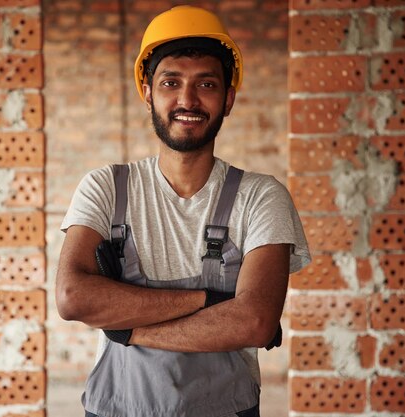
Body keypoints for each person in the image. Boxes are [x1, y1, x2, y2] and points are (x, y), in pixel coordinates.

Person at [56, 5, 311, 417]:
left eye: (206, 84)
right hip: (116, 408)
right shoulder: (106, 188)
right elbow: (72, 298)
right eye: (170, 82)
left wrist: (128, 327)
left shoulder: (260, 197)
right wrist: (212, 301)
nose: (187, 99)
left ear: (228, 98)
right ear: (147, 92)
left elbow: (255, 322)